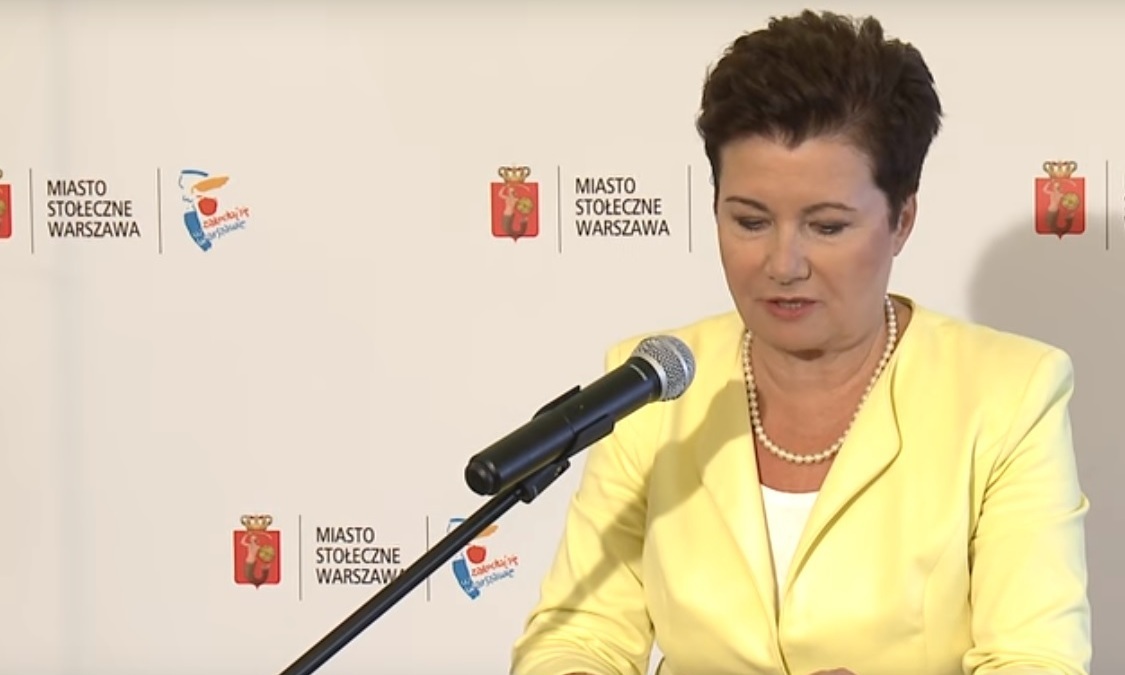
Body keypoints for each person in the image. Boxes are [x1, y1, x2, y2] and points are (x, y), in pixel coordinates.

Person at [509, 9, 1091, 675]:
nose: (782, 264)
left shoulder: (1009, 392)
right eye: (749, 221)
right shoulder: (650, 385)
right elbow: (575, 639)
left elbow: (1036, 660)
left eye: (827, 226)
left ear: (901, 219)